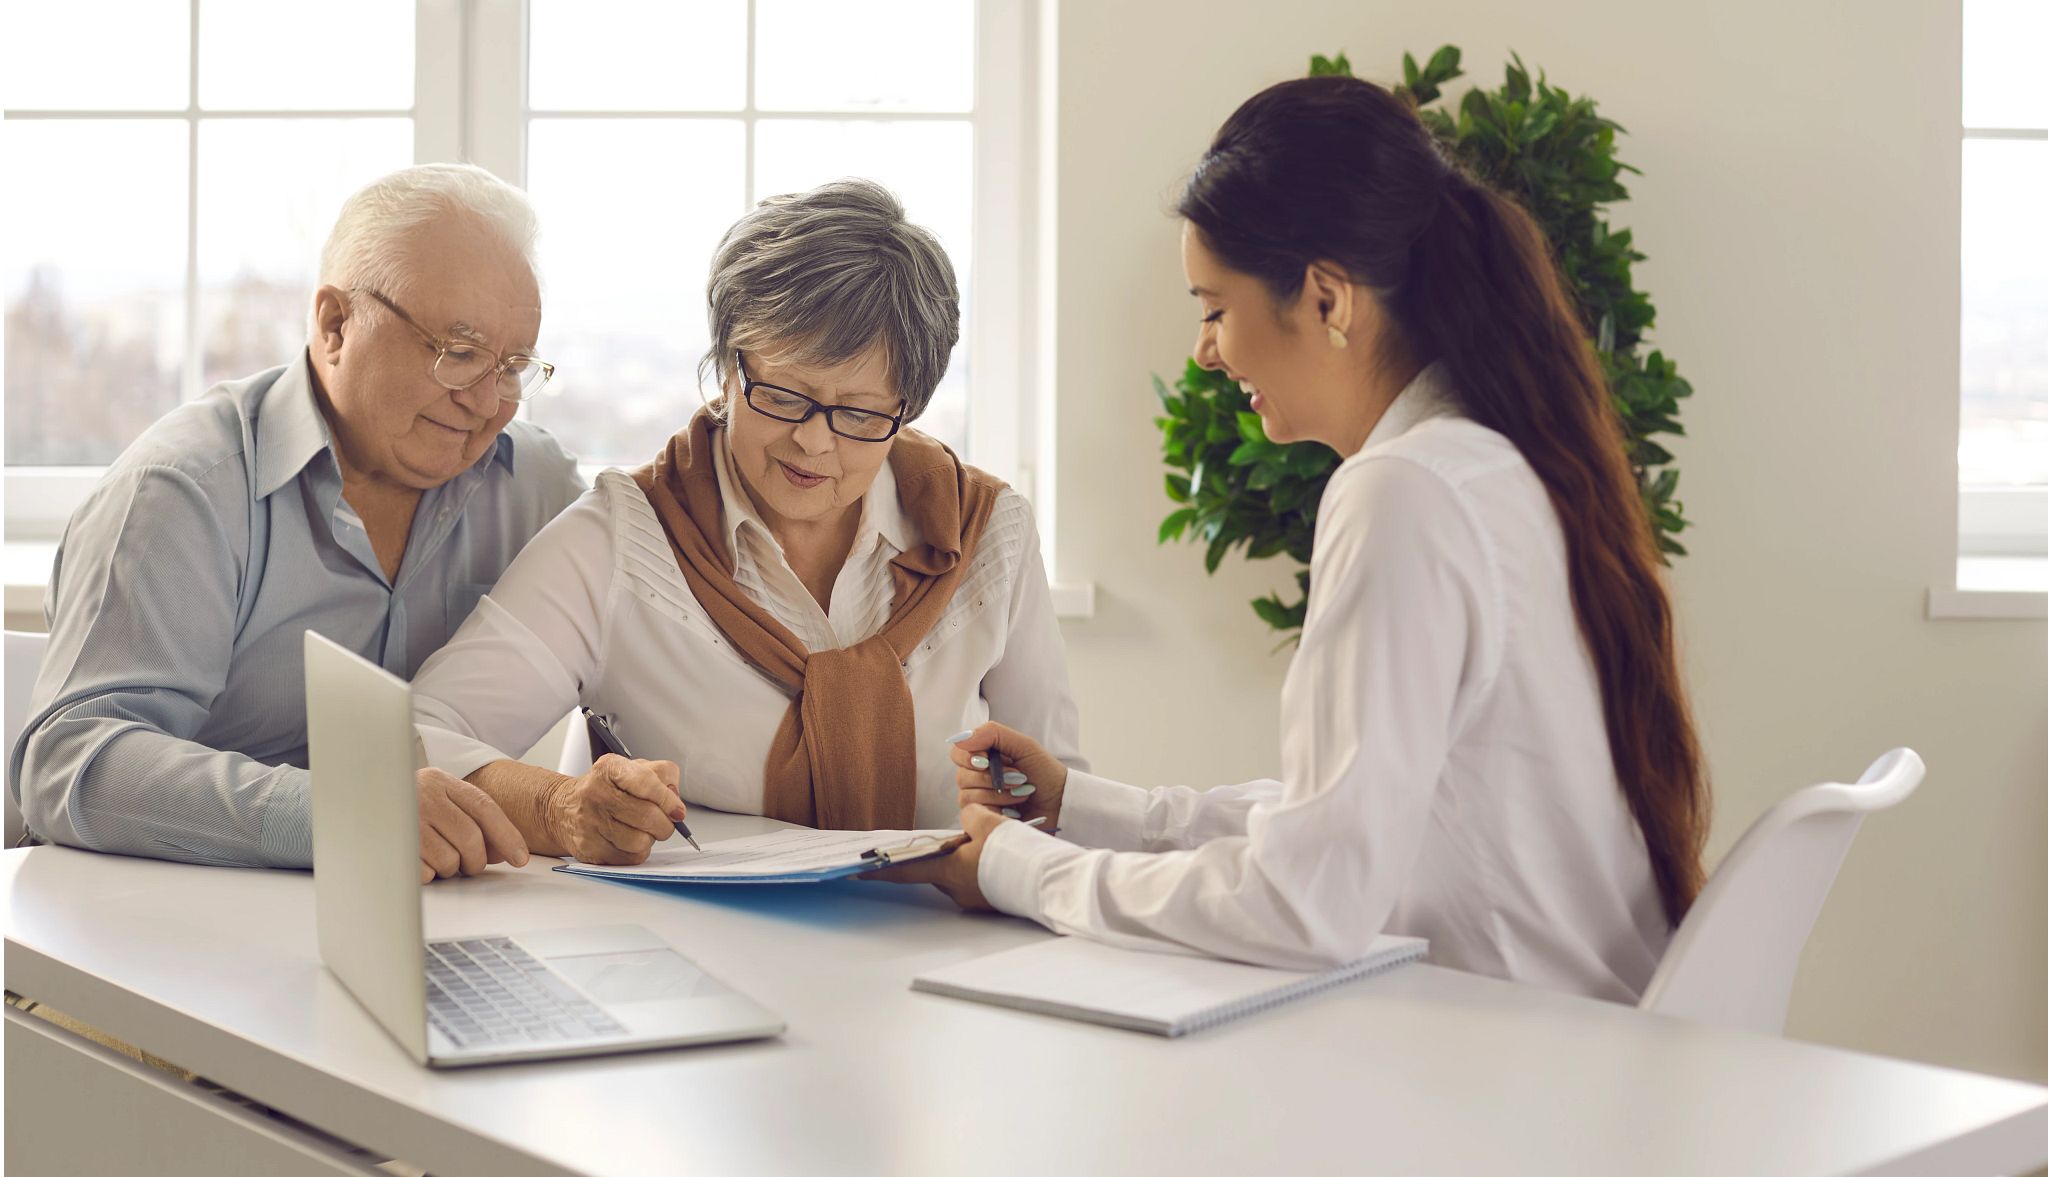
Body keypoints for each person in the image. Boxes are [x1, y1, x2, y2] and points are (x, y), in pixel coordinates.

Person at [883, 75, 1711, 1004]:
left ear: (1325, 299)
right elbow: (1344, 822)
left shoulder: (1404, 494)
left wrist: (1018, 870)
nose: (1204, 351)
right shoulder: (1497, 465)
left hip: (1506, 1075)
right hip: (1577, 1045)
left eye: (1213, 308)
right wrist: (1083, 808)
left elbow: (1304, 903)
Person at [409, 178, 1084, 865]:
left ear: (907, 407)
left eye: (858, 414)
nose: (814, 443)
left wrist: (1012, 859)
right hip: (678, 955)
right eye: (784, 396)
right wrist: (559, 808)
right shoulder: (620, 541)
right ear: (728, 369)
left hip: (943, 941)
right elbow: (417, 734)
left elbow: (1062, 796)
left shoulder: (988, 533)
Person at [8, 163, 584, 883]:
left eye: (513, 366)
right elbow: (69, 761)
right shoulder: (182, 491)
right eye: (459, 354)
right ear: (335, 323)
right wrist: (343, 813)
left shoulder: (534, 486)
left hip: (408, 920)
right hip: (152, 922)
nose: (488, 400)